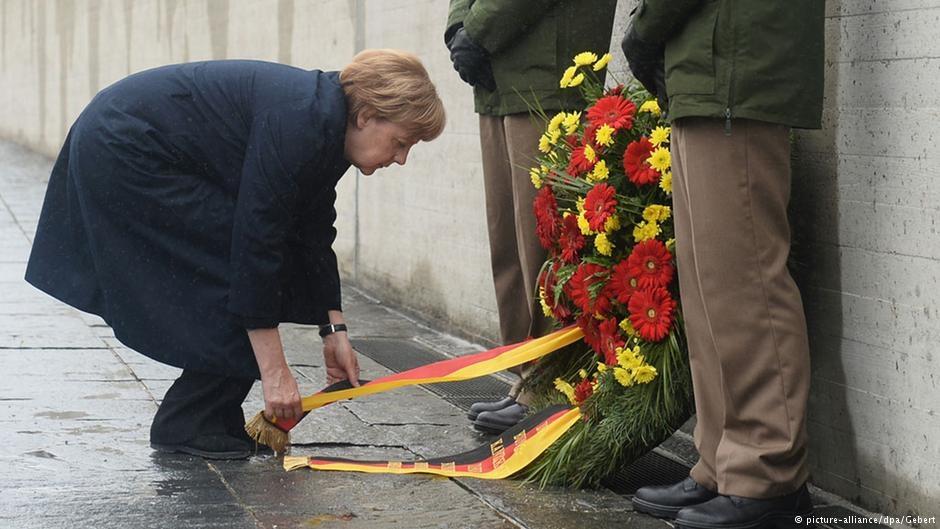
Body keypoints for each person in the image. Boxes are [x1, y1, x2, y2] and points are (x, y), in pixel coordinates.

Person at [25, 50, 446, 460]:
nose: (402, 158)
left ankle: (207, 416)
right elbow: (256, 242)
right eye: (401, 142)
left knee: (265, 263)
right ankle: (189, 421)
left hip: (131, 140)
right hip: (125, 148)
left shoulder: (325, 124)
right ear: (366, 116)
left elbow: (313, 231)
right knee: (248, 262)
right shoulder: (302, 121)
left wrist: (334, 331)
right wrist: (276, 374)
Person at [621, 1, 823, 528]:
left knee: (745, 283)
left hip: (735, 62)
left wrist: (648, 26)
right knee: (710, 285)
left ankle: (768, 472)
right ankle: (723, 463)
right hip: (710, 66)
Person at [444, 0, 617, 433]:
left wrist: (477, 31)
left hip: (546, 72)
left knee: (544, 245)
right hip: (495, 77)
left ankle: (554, 385)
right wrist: (458, 29)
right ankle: (526, 378)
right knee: (510, 243)